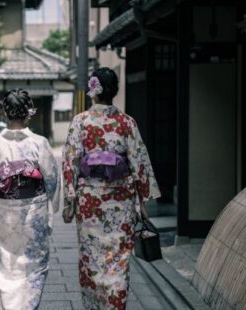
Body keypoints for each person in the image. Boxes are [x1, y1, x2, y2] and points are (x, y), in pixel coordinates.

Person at [62, 68, 161, 309]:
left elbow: (70, 162)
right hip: (121, 204)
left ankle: (94, 306)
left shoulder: (80, 122)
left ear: (93, 91)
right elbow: (139, 162)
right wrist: (143, 203)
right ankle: (115, 304)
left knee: (91, 258)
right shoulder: (126, 122)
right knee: (118, 261)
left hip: (89, 204)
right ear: (114, 92)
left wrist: (70, 200)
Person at [0, 89, 61, 310]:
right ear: (27, 113)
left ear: (6, 112)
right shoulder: (39, 143)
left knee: (7, 265)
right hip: (34, 209)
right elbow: (51, 178)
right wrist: (49, 203)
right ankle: (29, 306)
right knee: (35, 265)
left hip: (5, 209)